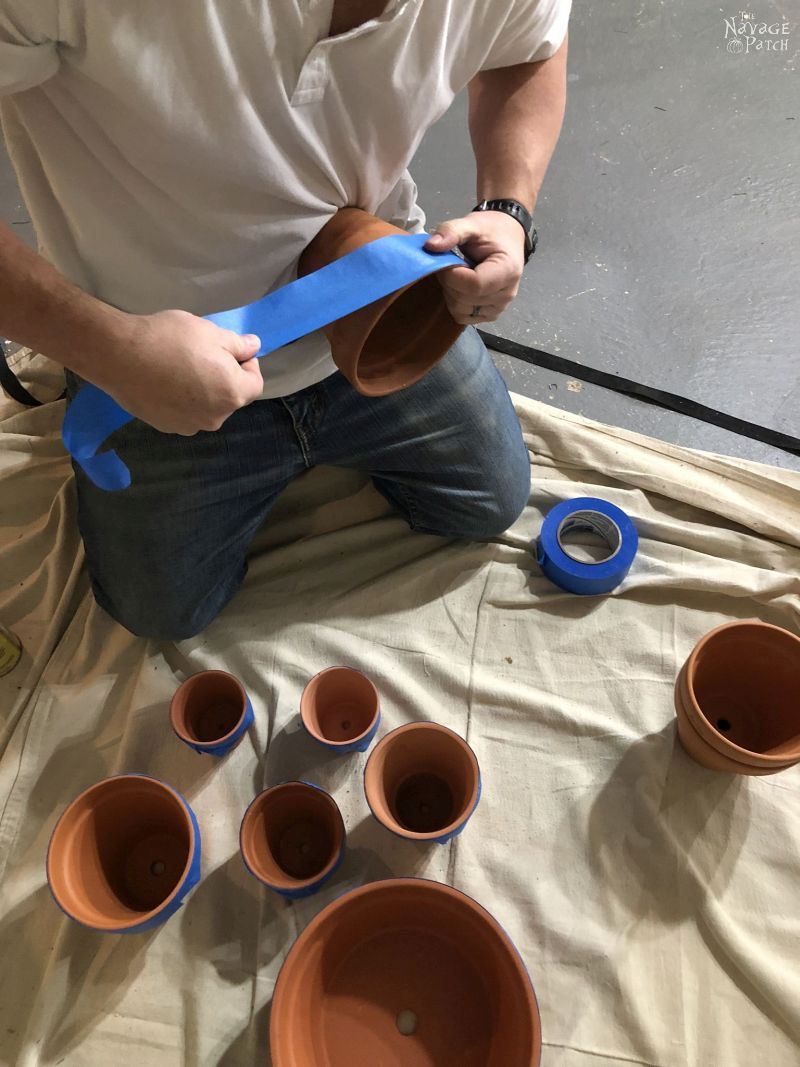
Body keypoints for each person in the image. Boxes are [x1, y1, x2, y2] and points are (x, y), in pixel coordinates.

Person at [0, 1, 570, 640]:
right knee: (159, 614)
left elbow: (532, 46)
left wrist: (507, 208)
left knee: (490, 502)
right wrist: (104, 347)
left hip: (377, 305)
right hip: (150, 357)